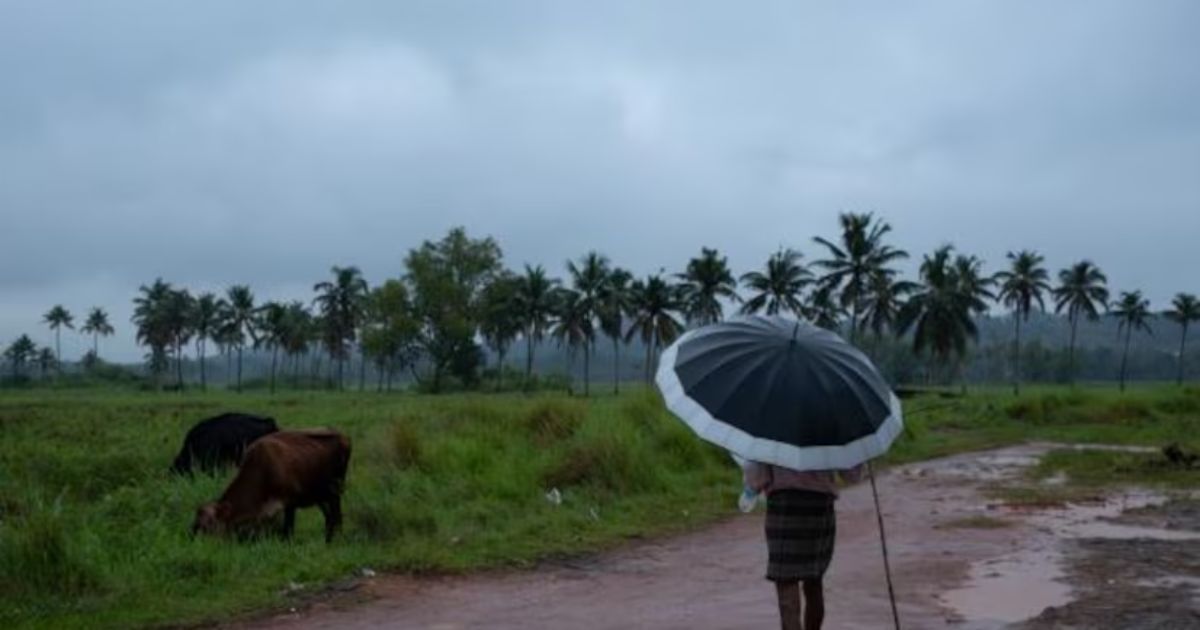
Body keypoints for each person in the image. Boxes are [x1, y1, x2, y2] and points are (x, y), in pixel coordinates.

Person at [742, 460, 865, 630]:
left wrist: (752, 487)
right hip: (819, 505)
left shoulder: (775, 432)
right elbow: (852, 475)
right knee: (814, 579)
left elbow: (757, 475)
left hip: (784, 503)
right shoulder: (829, 432)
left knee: (786, 580)